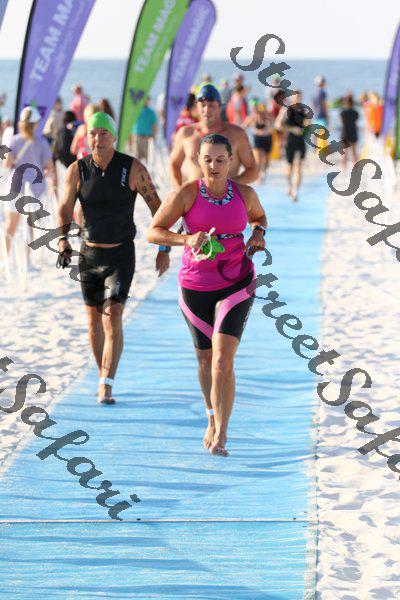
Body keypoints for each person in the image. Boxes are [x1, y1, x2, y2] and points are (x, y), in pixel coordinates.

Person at [149, 133, 267, 456]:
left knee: (222, 360)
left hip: (237, 282)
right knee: (205, 359)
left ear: (231, 161)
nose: (213, 166)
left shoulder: (245, 194)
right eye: (207, 160)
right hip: (195, 285)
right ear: (198, 161)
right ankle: (211, 417)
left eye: (220, 160)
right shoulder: (186, 195)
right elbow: (153, 231)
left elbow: (260, 218)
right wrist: (186, 240)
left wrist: (258, 234)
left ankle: (222, 435)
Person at [57, 112, 170, 405]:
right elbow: (64, 208)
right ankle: (103, 374)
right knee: (93, 321)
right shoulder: (77, 170)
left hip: (120, 254)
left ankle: (106, 383)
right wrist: (62, 240)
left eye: (104, 134)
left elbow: (158, 208)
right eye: (93, 134)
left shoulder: (133, 168)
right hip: (89, 254)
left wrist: (163, 249)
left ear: (114, 137)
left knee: (113, 315)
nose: (98, 139)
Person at [169, 84, 258, 188]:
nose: (206, 109)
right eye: (202, 105)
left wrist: (228, 186)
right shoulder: (186, 133)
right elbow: (174, 164)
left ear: (220, 107)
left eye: (211, 105)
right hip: (196, 197)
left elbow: (253, 170)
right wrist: (179, 189)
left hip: (227, 196)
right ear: (196, 107)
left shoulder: (237, 134)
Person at [3, 106, 56, 255]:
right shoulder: (42, 143)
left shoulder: (14, 140)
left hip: (15, 185)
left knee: (10, 227)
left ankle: (3, 259)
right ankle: (26, 259)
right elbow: (50, 167)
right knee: (30, 227)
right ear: (36, 124)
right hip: (34, 188)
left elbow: (7, 164)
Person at [275, 91, 310, 202]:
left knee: (299, 167)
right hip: (289, 141)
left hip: (301, 141)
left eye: (300, 97)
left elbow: (308, 125)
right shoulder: (286, 110)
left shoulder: (304, 110)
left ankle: (295, 191)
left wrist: (307, 125)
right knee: (289, 168)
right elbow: (277, 125)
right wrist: (292, 129)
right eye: (296, 97)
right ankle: (289, 185)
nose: (298, 99)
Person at [243, 102, 275, 183]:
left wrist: (267, 128)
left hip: (267, 139)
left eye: (263, 111)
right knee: (258, 156)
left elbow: (273, 127)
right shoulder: (253, 117)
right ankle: (257, 173)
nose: (261, 113)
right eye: (259, 111)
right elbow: (243, 126)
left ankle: (263, 172)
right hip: (257, 139)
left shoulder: (268, 117)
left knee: (266, 159)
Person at [129, 96, 157, 163]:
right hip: (136, 138)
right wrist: (130, 139)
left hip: (147, 139)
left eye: (147, 99)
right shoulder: (135, 110)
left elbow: (154, 126)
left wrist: (154, 138)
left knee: (148, 161)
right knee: (136, 161)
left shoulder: (151, 112)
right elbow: (131, 125)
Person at [340, 95, 359, 168]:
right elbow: (356, 120)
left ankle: (342, 168)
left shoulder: (342, 113)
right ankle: (356, 168)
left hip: (345, 133)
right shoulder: (355, 113)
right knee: (354, 152)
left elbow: (341, 122)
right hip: (353, 132)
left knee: (344, 153)